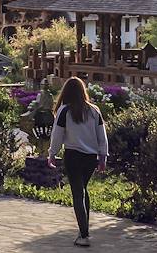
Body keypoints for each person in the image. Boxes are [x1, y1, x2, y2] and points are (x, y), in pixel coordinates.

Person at [46, 76, 107, 247]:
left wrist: (52, 154)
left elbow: (57, 136)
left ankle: (84, 235)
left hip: (73, 156)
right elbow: (102, 137)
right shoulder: (94, 110)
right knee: (83, 189)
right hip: (90, 158)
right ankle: (83, 230)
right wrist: (103, 157)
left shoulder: (64, 111)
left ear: (66, 92)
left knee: (77, 193)